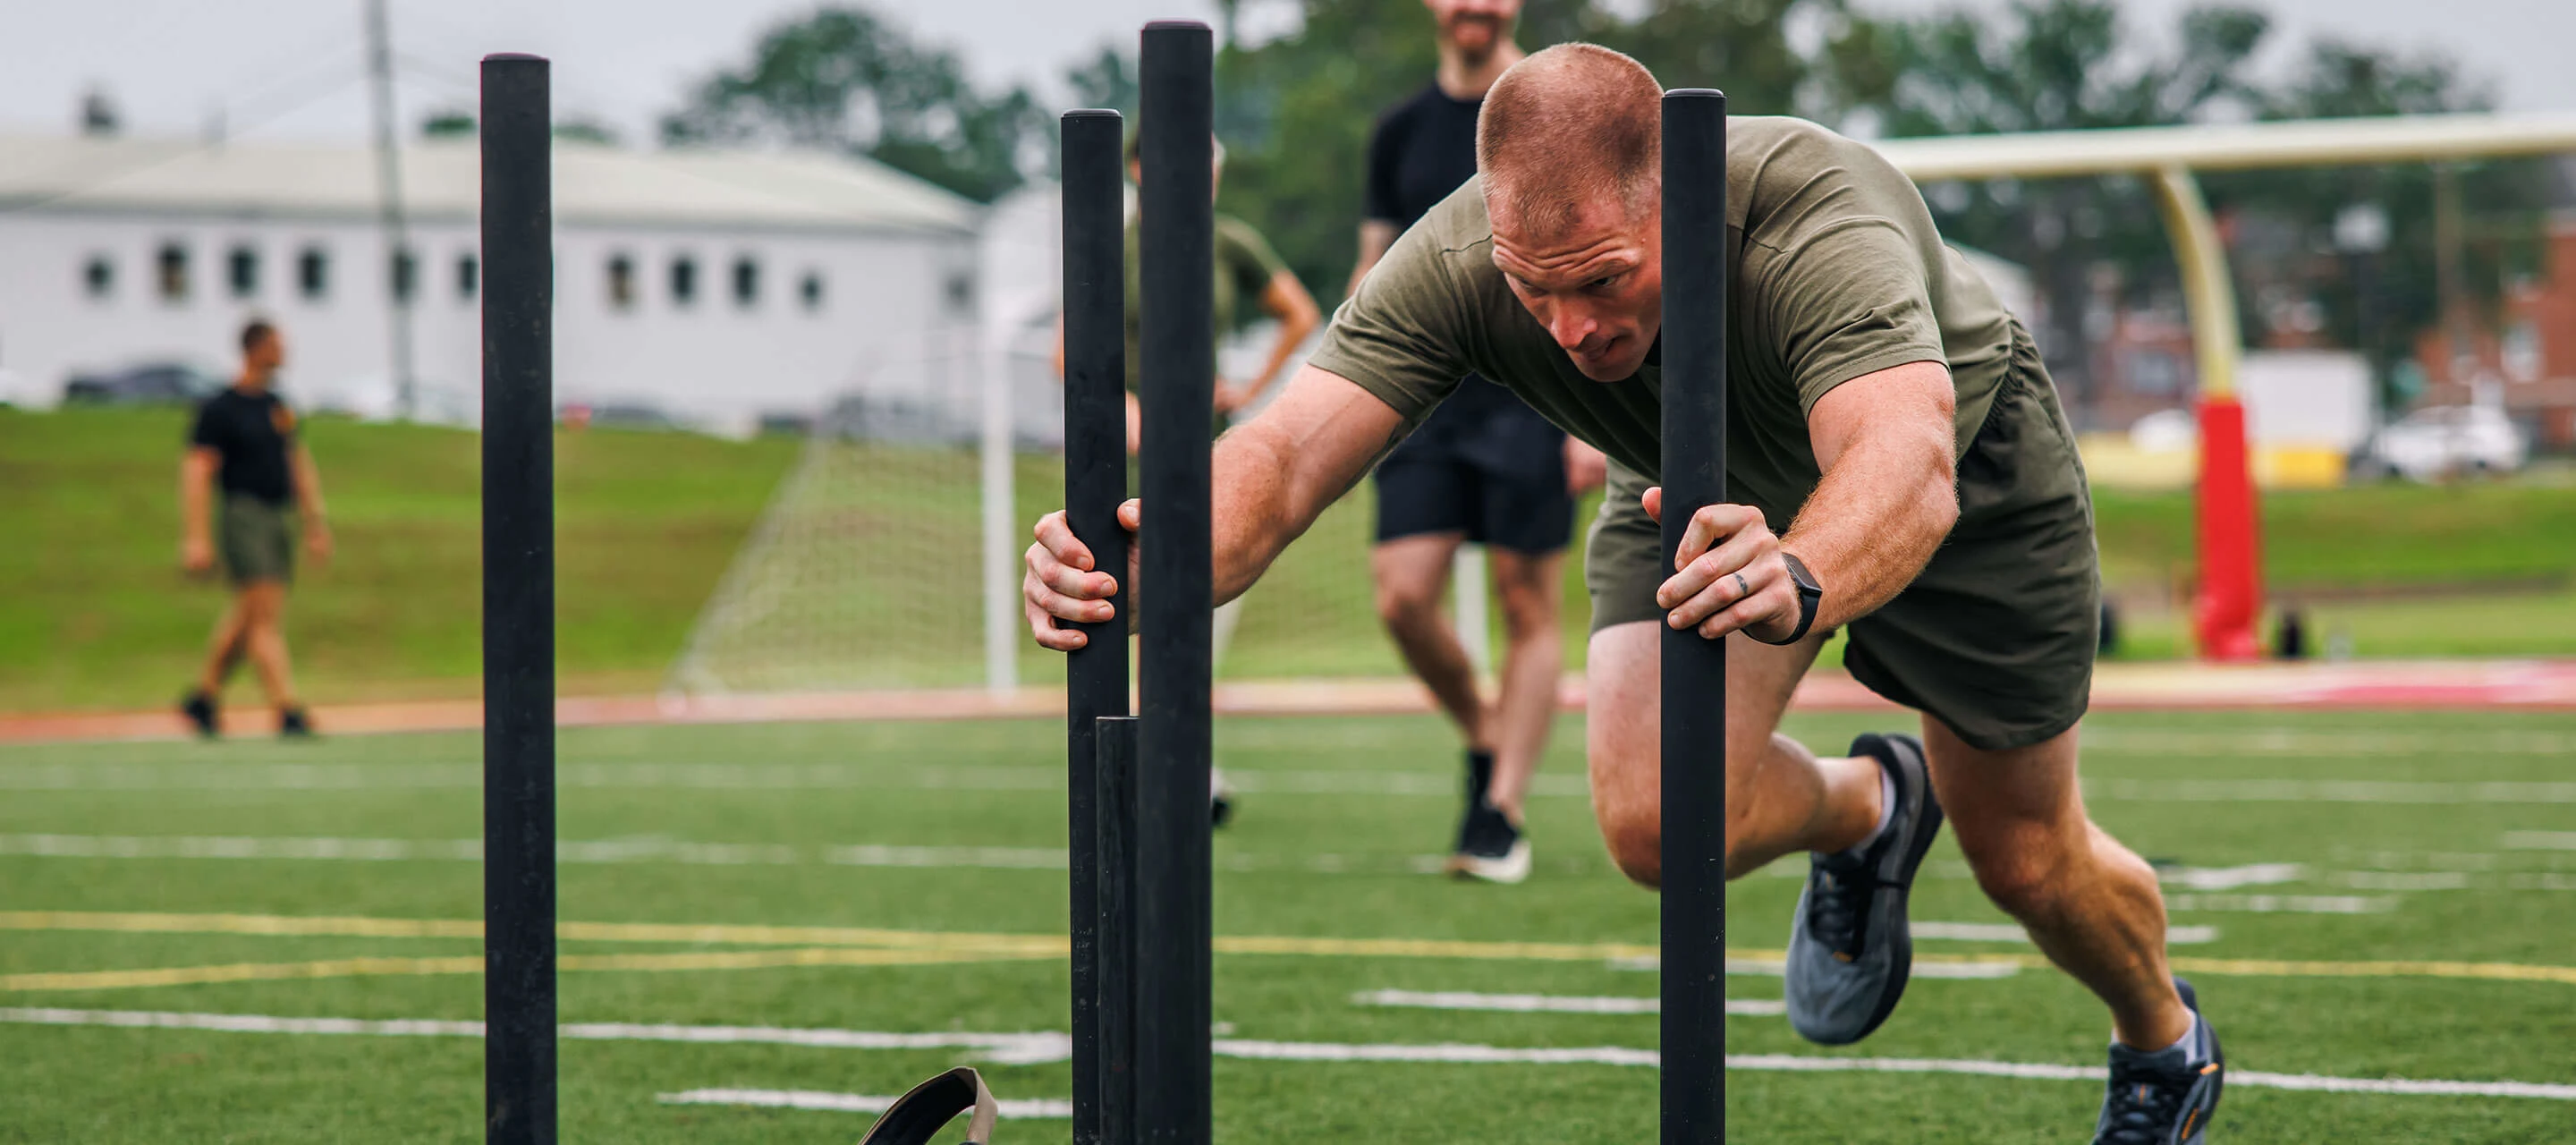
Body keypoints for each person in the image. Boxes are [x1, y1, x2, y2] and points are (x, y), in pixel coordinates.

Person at [1026, 45, 2222, 1144]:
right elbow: (1282, 460)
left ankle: (2163, 1041)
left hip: (1965, 490)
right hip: (1688, 484)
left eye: (1602, 280)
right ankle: (1869, 808)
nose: (1571, 329)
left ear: (1675, 203)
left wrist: (1798, 573)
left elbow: (1904, 467)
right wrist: (1146, 562)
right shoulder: (1460, 261)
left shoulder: (1814, 214)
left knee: (2025, 860)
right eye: (1533, 290)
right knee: (1659, 823)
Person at [1351, 0, 1606, 886]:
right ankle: (1487, 733)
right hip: (1426, 399)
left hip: (1536, 394)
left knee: (1525, 603)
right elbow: (1373, 273)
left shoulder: (1557, 108)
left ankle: (1500, 807)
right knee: (1401, 596)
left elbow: (1600, 261)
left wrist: (1593, 416)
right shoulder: (1400, 133)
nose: (1474, 7)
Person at [1054, 131, 1324, 823]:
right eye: (1184, 159)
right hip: (1124, 463)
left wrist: (1248, 389)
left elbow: (1299, 315)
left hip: (1203, 458)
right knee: (1135, 609)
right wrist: (1128, 410)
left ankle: (1178, 760)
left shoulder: (1230, 243)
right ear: (1142, 167)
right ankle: (1164, 762)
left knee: (1196, 613)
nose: (1201, 175)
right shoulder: (1111, 244)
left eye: (1211, 164)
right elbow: (1064, 355)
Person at [179, 320, 331, 739]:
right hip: (244, 514)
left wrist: (314, 521)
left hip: (277, 514)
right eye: (277, 346)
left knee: (248, 614)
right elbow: (196, 471)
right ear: (254, 348)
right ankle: (287, 707)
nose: (284, 353)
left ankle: (204, 697)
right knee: (263, 615)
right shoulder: (221, 409)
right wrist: (196, 537)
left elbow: (297, 462)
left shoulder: (277, 406)